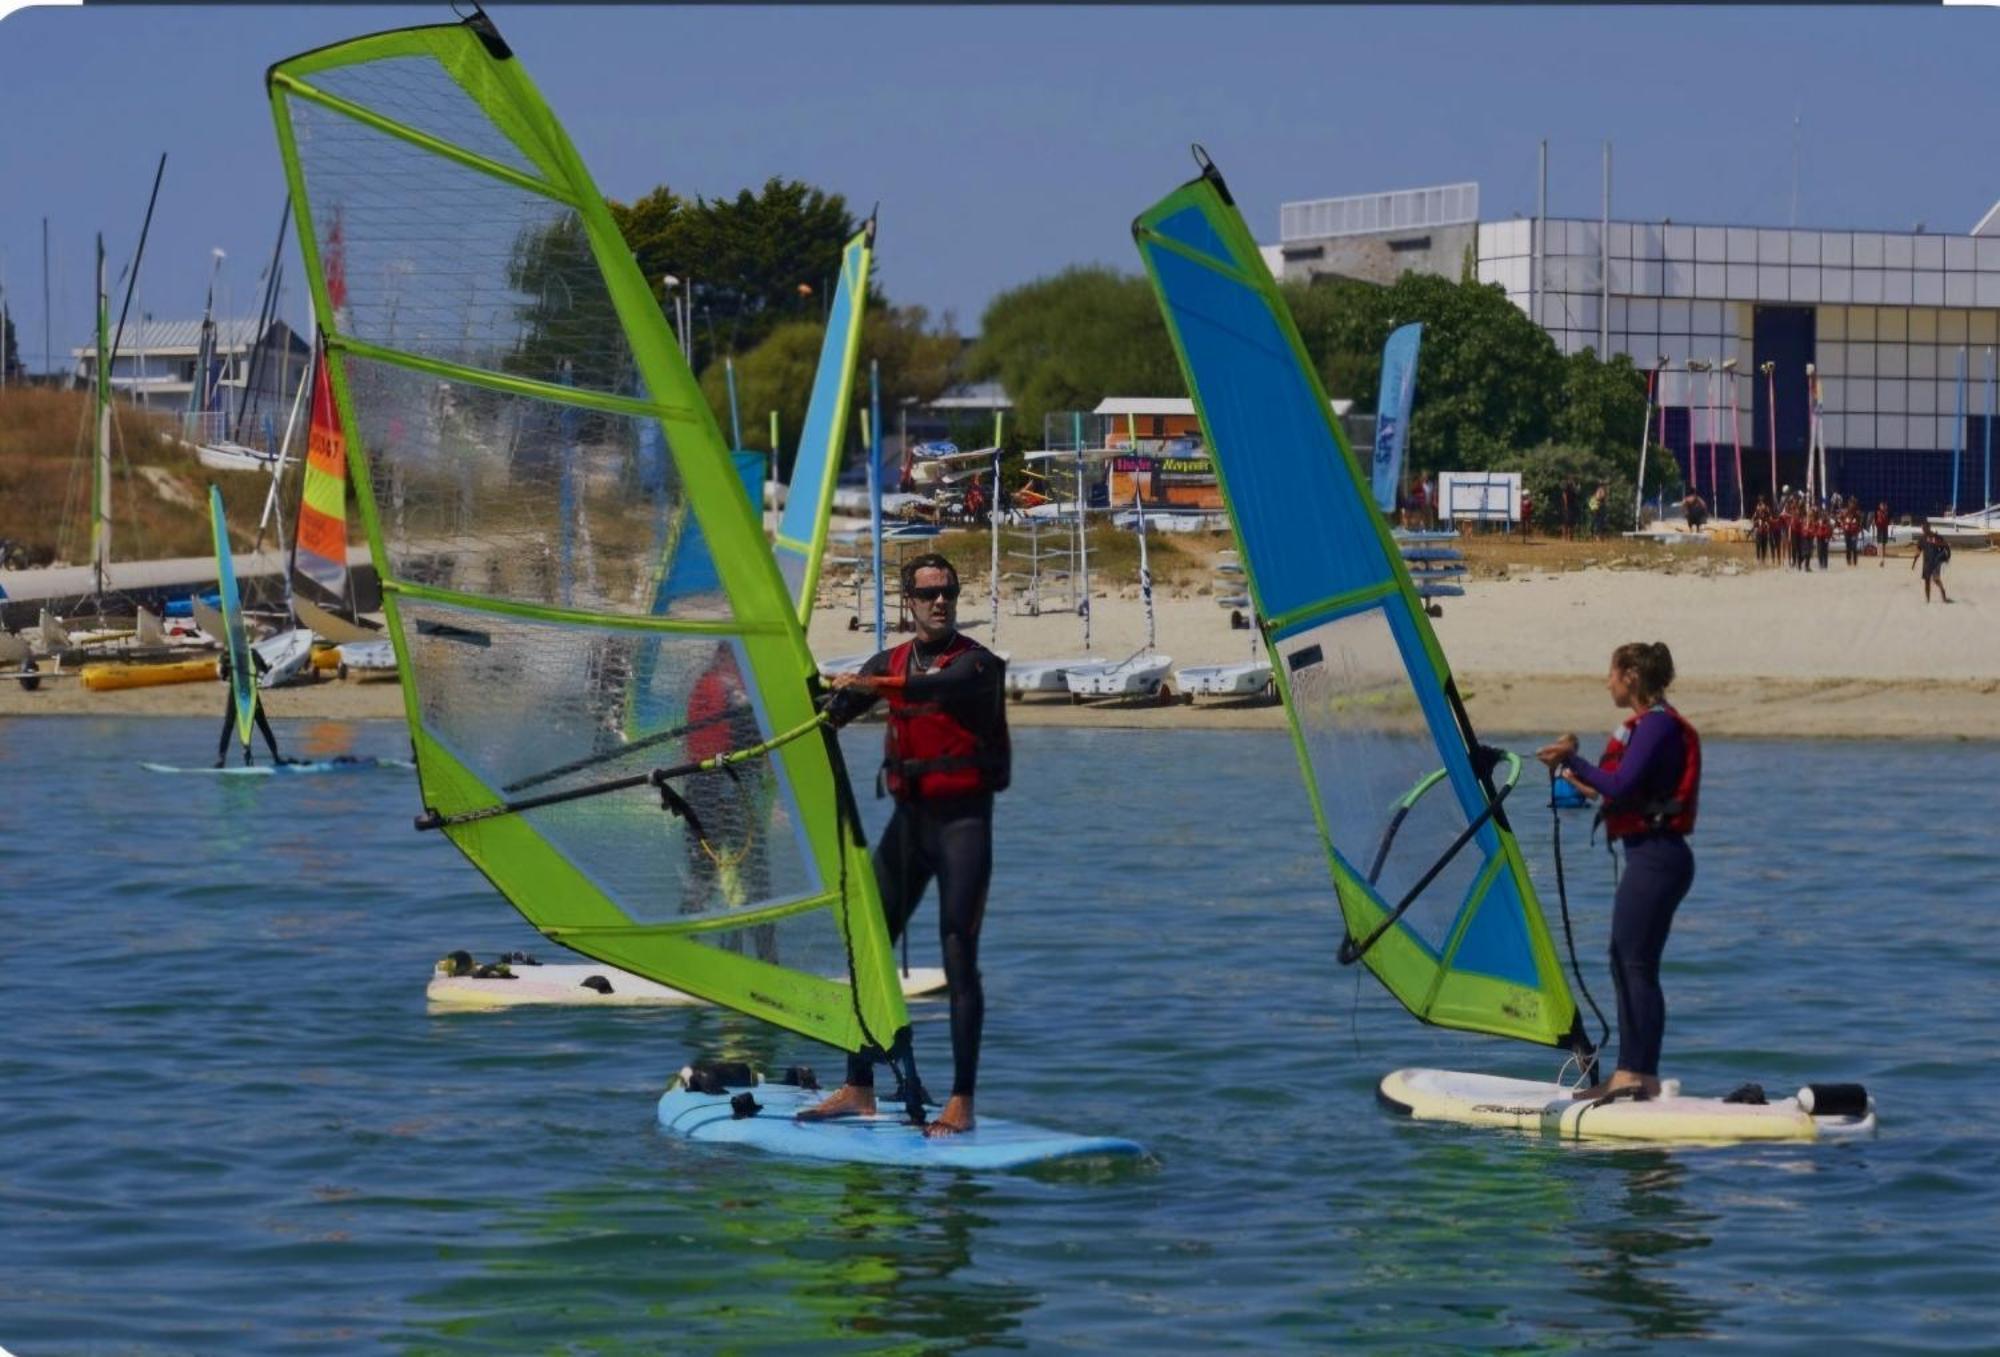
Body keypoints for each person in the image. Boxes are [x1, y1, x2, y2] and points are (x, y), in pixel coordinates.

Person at [800, 552, 1010, 1137]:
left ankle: (961, 1100)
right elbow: (831, 713)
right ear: (908, 602)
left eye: (947, 592)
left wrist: (872, 684)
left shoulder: (978, 666)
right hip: (910, 826)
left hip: (963, 827)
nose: (938, 601)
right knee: (866, 946)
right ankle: (859, 1086)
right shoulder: (889, 660)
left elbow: (936, 688)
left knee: (958, 955)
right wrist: (810, 698)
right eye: (927, 594)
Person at [1536, 641, 1699, 1102]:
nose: (1606, 682)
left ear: (1630, 675)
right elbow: (1619, 790)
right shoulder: (1649, 728)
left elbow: (1622, 783)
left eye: (1611, 673)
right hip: (1652, 856)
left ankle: (1633, 1074)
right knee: (1626, 962)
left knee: (1634, 964)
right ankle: (1638, 1074)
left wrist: (1572, 759)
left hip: (1657, 858)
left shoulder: (1656, 726)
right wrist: (1574, 774)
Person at [214, 646, 288, 768]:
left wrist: (226, 669)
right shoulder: (252, 653)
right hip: (251, 692)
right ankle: (276, 757)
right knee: (262, 724)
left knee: (229, 725)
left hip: (236, 692)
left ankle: (222, 760)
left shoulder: (227, 654)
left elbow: (222, 675)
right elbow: (264, 669)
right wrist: (268, 666)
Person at [1912, 525, 1953, 604]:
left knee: (1932, 580)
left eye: (1924, 529)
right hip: (1931, 562)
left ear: (1927, 528)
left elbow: (1945, 545)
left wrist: (1948, 556)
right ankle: (1929, 599)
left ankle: (1936, 597)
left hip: (1933, 562)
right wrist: (1914, 563)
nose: (1924, 530)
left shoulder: (1930, 537)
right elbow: (1918, 552)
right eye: (1924, 529)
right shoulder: (1924, 539)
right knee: (1930, 580)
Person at [1840, 500, 1863, 567]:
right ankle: (1848, 560)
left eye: (1853, 504)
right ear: (1848, 504)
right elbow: (1840, 519)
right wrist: (1843, 525)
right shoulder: (1845, 512)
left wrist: (1859, 529)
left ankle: (1855, 561)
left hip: (1854, 532)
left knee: (1854, 547)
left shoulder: (1857, 513)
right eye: (1850, 504)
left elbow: (1860, 522)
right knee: (1848, 547)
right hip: (1847, 532)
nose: (1852, 505)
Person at [1874, 501, 1892, 568]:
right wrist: (1876, 525)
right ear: (1879, 506)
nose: (1883, 507)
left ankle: (1883, 557)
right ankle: (1880, 557)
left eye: (1884, 506)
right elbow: (1875, 519)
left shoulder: (1887, 512)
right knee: (1880, 543)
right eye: (1881, 505)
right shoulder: (1877, 512)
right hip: (1880, 528)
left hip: (1885, 528)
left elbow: (1889, 519)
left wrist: (1889, 524)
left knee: (1884, 543)